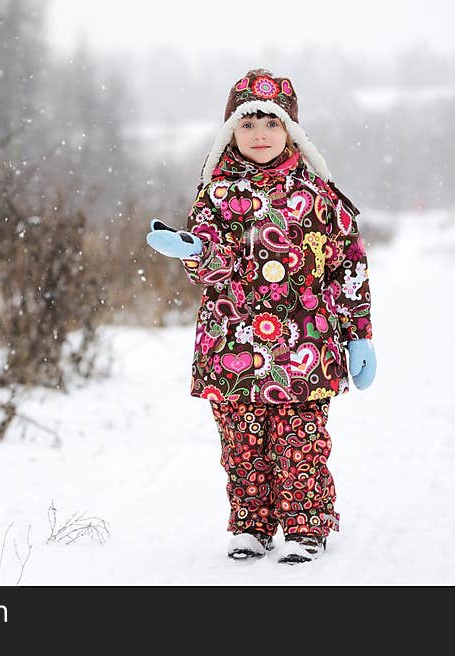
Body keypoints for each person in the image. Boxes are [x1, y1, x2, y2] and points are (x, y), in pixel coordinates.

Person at [146, 69, 376, 564]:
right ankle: (251, 525)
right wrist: (193, 250)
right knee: (242, 442)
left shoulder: (320, 196)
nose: (260, 135)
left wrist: (360, 335)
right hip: (234, 344)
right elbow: (214, 264)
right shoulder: (216, 195)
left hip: (305, 345)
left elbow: (347, 267)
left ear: (291, 130)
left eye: (270, 124)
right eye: (247, 125)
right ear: (231, 132)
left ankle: (306, 526)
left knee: (300, 441)